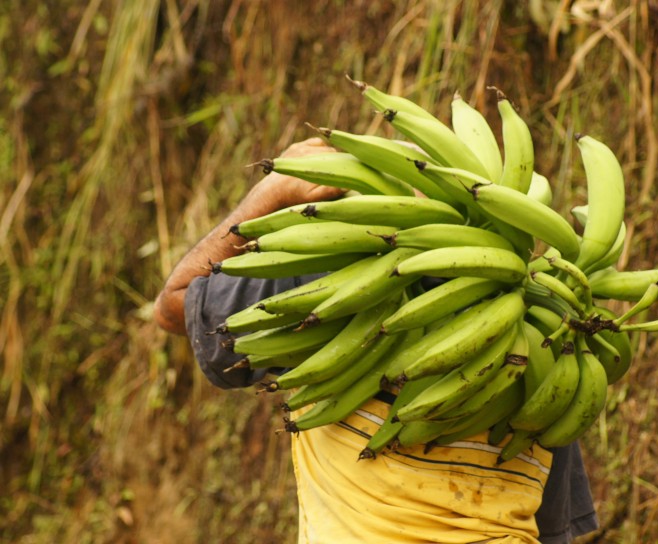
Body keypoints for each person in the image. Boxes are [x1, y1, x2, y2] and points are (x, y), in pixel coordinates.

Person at [154, 137, 600, 543]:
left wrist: (269, 195)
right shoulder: (549, 339)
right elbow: (551, 530)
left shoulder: (326, 285)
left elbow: (175, 305)